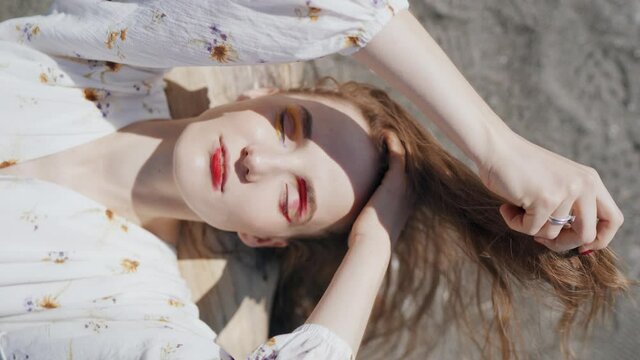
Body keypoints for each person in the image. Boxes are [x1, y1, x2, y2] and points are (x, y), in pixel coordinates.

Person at [0, 1, 629, 359]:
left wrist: (373, 246)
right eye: (287, 127)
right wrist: (498, 150)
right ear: (258, 88)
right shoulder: (95, 58)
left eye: (294, 196)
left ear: (265, 239)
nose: (260, 163)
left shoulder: (129, 302)